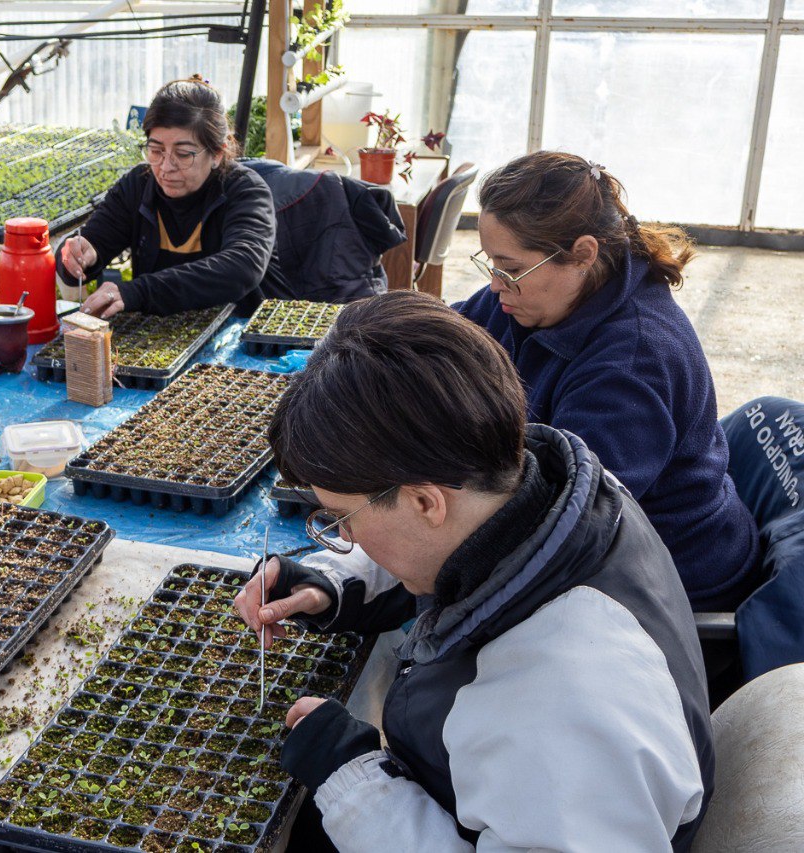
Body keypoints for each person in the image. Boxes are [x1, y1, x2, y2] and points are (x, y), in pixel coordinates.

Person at [234, 292, 713, 851]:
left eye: (342, 519)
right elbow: (462, 554)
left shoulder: (563, 704)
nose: (343, 537)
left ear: (424, 503)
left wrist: (353, 778)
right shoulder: (550, 497)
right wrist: (332, 584)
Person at [456, 151, 760, 612]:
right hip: (586, 541)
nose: (496, 284)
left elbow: (566, 522)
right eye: (492, 264)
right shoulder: (535, 294)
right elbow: (440, 336)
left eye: (511, 268)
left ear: (583, 254)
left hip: (663, 584)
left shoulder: (633, 361)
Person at [56, 76, 286, 318]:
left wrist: (138, 293)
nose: (166, 167)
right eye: (156, 151)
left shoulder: (246, 192)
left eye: (184, 154)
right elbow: (94, 240)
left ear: (218, 153)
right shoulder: (139, 185)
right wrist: (78, 255)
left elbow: (241, 268)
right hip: (162, 334)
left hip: (241, 333)